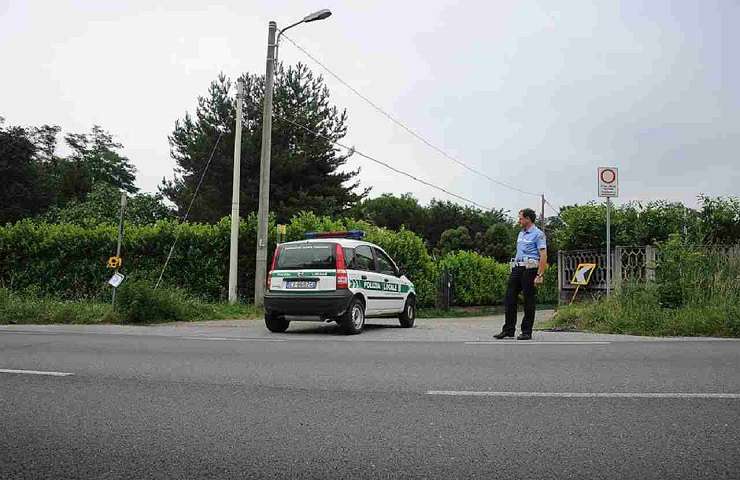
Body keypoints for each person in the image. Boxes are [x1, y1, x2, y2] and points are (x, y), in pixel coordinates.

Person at [494, 208, 547, 340]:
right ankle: (508, 330)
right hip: (517, 268)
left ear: (528, 219)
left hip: (530, 269)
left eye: (521, 218)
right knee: (509, 297)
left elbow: (543, 255)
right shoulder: (520, 234)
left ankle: (526, 331)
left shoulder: (538, 234)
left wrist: (540, 275)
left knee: (528, 300)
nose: (519, 220)